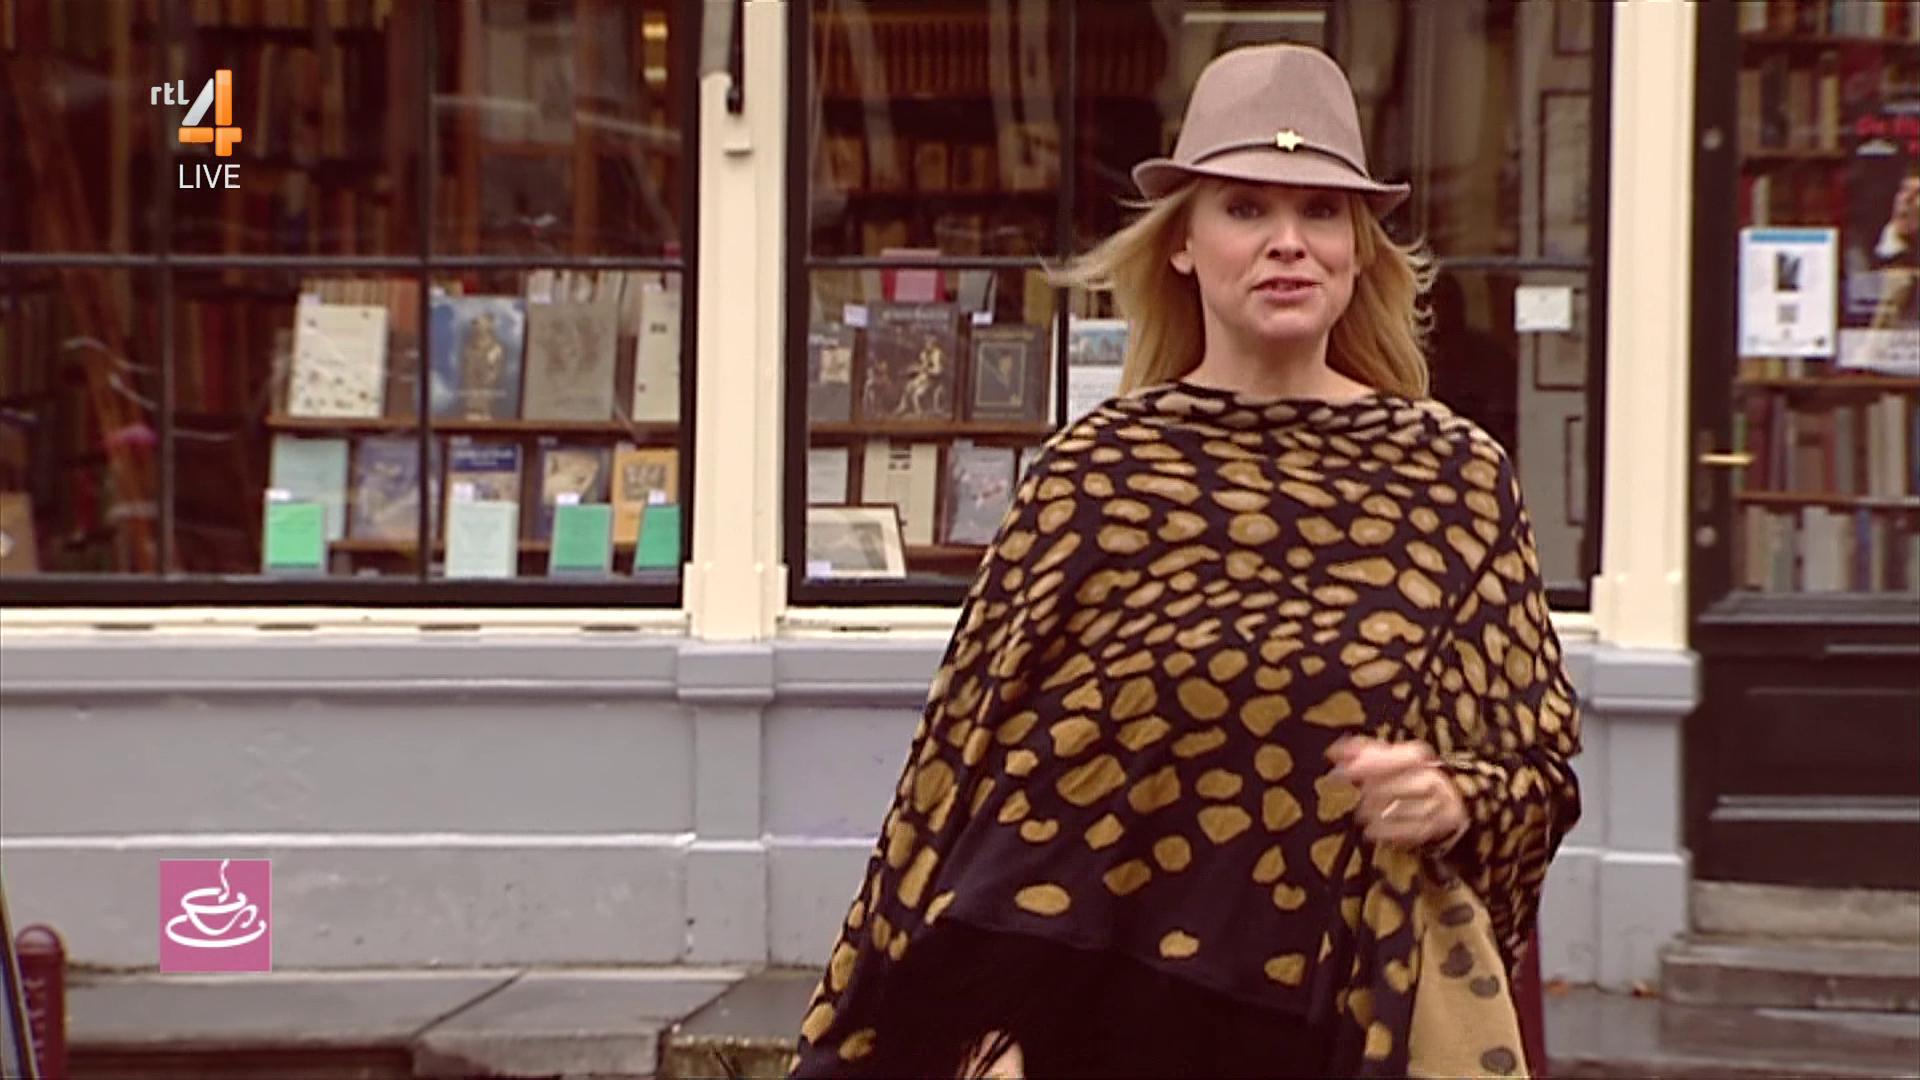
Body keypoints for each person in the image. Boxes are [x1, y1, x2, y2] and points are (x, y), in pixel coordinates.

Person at [790, 44, 1581, 1079]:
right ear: (1181, 244)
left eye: (1322, 212)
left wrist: (1454, 796)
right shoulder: (1096, 475)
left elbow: (1537, 772)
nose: (1288, 242)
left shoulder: (1450, 481)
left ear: (1358, 248)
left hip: (1335, 1026)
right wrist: (982, 1026)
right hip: (1092, 1037)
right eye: (1246, 208)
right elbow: (972, 777)